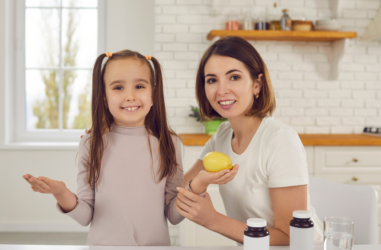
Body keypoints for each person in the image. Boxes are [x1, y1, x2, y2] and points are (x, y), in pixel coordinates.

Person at [22, 50, 187, 246]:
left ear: (153, 93)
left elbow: (174, 216)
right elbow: (84, 216)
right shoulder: (91, 143)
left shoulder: (169, 143)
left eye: (140, 86)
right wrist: (61, 192)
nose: (129, 96)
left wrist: (198, 187)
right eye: (118, 87)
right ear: (103, 97)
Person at [175, 36, 323, 246]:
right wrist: (198, 184)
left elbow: (291, 236)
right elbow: (179, 190)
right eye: (212, 80)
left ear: (257, 84)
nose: (222, 90)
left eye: (234, 77)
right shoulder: (223, 135)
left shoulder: (279, 140)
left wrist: (212, 220)